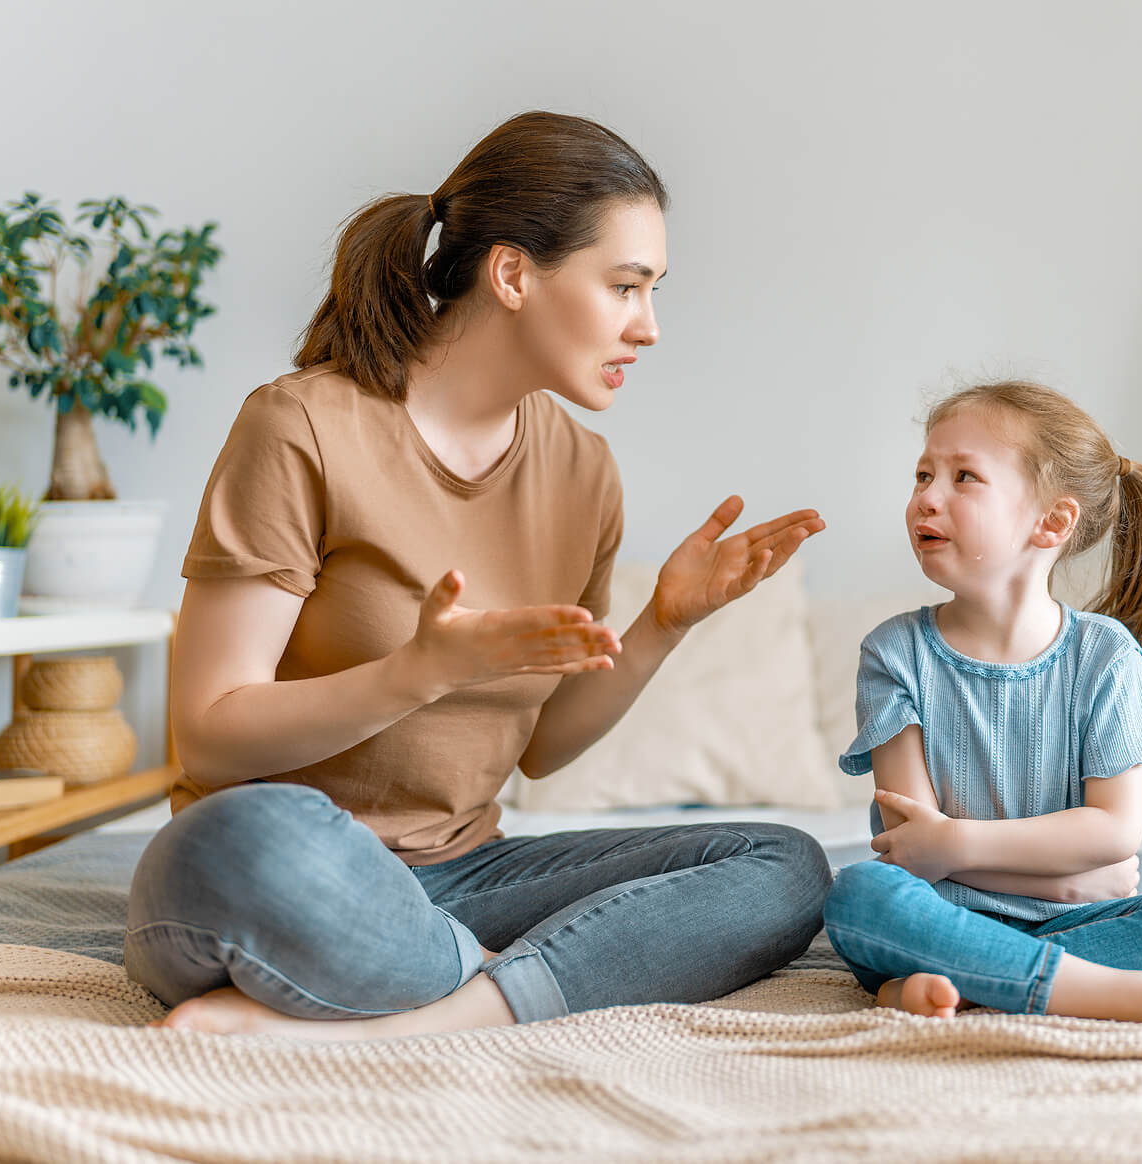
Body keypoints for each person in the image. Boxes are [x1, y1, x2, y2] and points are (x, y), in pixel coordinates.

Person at [124, 111, 831, 1040]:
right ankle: (522, 980)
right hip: (288, 859)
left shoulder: (584, 474)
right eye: (624, 286)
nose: (648, 327)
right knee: (243, 845)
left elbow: (539, 748)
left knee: (783, 864)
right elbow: (209, 736)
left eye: (653, 291)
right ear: (511, 275)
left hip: (467, 878)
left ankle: (437, 1011)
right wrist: (418, 672)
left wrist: (665, 620)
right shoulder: (303, 427)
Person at [821, 380, 1142, 1032]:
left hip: (1019, 933)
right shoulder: (893, 653)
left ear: (1053, 522)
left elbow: (1115, 832)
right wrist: (1062, 875)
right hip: (943, 917)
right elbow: (911, 851)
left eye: (963, 477)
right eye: (923, 474)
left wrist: (958, 848)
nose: (927, 495)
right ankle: (1126, 995)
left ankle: (977, 985)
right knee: (861, 896)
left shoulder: (1105, 654)